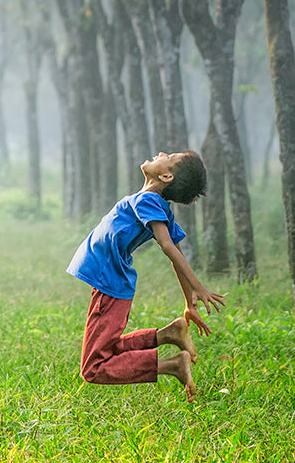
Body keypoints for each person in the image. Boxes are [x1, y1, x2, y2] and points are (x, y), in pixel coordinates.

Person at [65, 151, 225, 402]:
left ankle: (172, 366)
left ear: (166, 175)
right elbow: (176, 252)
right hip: (111, 281)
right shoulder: (154, 203)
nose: (161, 153)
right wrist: (188, 302)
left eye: (169, 156)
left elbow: (169, 246)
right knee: (107, 349)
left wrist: (197, 287)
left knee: (93, 367)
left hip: (110, 283)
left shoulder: (149, 200)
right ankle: (168, 335)